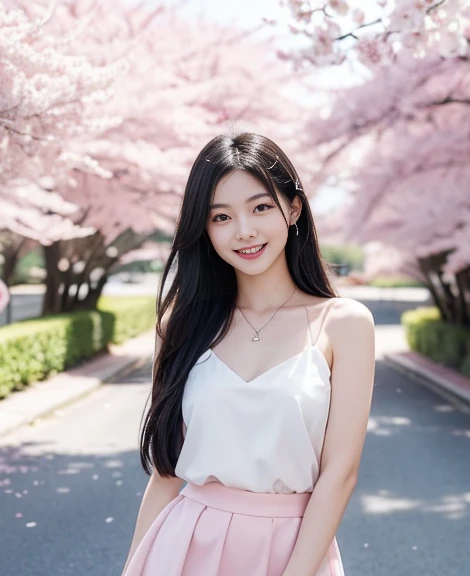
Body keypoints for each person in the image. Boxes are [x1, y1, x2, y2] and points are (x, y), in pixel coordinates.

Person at [121, 132, 376, 576]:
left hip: (296, 550)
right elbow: (165, 474)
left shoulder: (344, 323)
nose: (245, 231)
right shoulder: (180, 327)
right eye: (221, 216)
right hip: (185, 548)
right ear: (204, 227)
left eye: (260, 207)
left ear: (293, 209)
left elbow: (340, 475)